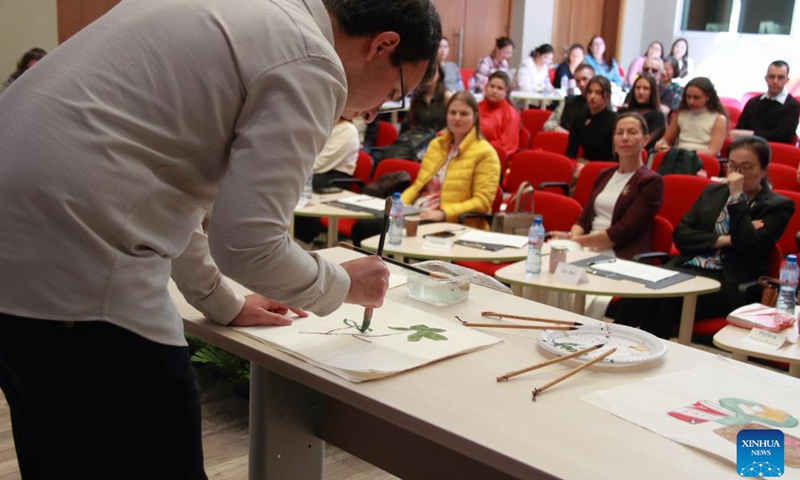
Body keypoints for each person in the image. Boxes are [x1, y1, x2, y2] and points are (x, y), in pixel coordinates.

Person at [0, 0, 441, 478]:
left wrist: (220, 302)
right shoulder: (310, 58)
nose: (376, 113)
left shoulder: (244, 13)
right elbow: (249, 244)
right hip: (77, 270)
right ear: (383, 45)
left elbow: (163, 190)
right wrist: (343, 284)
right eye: (397, 93)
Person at [614, 136, 794, 339]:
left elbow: (749, 245)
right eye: (732, 166)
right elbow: (681, 235)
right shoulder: (713, 192)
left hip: (729, 281)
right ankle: (612, 343)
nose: (737, 175)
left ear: (764, 170)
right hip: (688, 267)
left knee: (663, 301)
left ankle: (637, 351)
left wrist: (736, 199)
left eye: (746, 168)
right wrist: (725, 239)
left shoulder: (777, 206)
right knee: (642, 290)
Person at [351, 91, 501, 243]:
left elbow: (482, 202)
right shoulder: (436, 145)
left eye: (463, 114)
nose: (457, 118)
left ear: (475, 117)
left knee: (369, 230)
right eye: (453, 112)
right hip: (419, 211)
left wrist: (443, 213)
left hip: (449, 221)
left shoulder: (486, 154)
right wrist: (399, 205)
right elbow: (419, 186)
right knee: (364, 226)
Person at [552, 112, 664, 260]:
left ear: (645, 140)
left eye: (632, 132)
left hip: (620, 252)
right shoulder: (604, 175)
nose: (624, 138)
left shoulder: (650, 181)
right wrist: (572, 238)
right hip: (587, 246)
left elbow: (624, 230)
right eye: (619, 133)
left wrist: (574, 241)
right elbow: (584, 220)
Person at [655, 77, 728, 157]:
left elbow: (713, 151)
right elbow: (666, 139)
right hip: (679, 157)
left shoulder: (719, 119)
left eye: (696, 98)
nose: (691, 102)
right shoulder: (681, 114)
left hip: (703, 160)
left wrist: (686, 154)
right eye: (688, 97)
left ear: (708, 97)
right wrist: (661, 144)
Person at [731, 60, 800, 145]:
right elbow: (739, 129)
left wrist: (749, 134)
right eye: (772, 76)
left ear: (787, 80)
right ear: (766, 78)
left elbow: (783, 136)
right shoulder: (753, 102)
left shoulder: (793, 106)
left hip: (774, 151)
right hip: (745, 147)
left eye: (780, 77)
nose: (775, 81)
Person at [566, 76, 618, 162]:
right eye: (590, 92)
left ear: (607, 96)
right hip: (583, 166)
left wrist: (590, 165)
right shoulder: (579, 119)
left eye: (598, 93)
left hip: (606, 167)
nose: (592, 96)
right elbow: (571, 152)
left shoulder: (615, 120)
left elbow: (616, 157)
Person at [618, 75, 666, 151]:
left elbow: (647, 142)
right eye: (638, 88)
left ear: (652, 92)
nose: (641, 92)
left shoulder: (658, 116)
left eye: (645, 88)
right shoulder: (623, 112)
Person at [478, 71, 520, 155]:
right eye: (492, 86)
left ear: (506, 92)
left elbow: (505, 146)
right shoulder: (477, 107)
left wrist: (480, 149)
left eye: (499, 88)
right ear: (486, 87)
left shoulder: (510, 114)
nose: (494, 91)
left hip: (494, 156)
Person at [544, 63, 594, 133]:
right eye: (578, 81)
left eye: (585, 79)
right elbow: (548, 125)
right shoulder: (568, 102)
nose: (581, 84)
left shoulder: (602, 105)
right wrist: (568, 135)